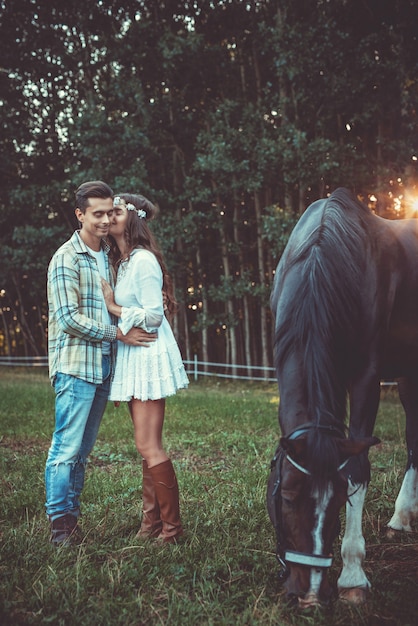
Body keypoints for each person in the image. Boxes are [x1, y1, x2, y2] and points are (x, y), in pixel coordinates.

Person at [45, 180, 156, 547]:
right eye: (97, 214)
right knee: (66, 449)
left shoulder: (107, 255)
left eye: (110, 212)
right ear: (80, 215)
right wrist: (118, 335)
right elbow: (68, 319)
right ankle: (59, 528)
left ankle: (71, 521)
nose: (106, 219)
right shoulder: (66, 257)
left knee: (82, 452)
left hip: (103, 369)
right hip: (76, 367)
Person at [102, 192, 189, 544]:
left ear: (132, 218)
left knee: (148, 444)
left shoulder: (142, 261)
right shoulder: (122, 262)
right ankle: (149, 523)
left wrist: (116, 308)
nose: (109, 217)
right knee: (145, 446)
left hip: (149, 354)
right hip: (133, 354)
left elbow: (154, 315)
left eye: (116, 211)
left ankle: (172, 529)